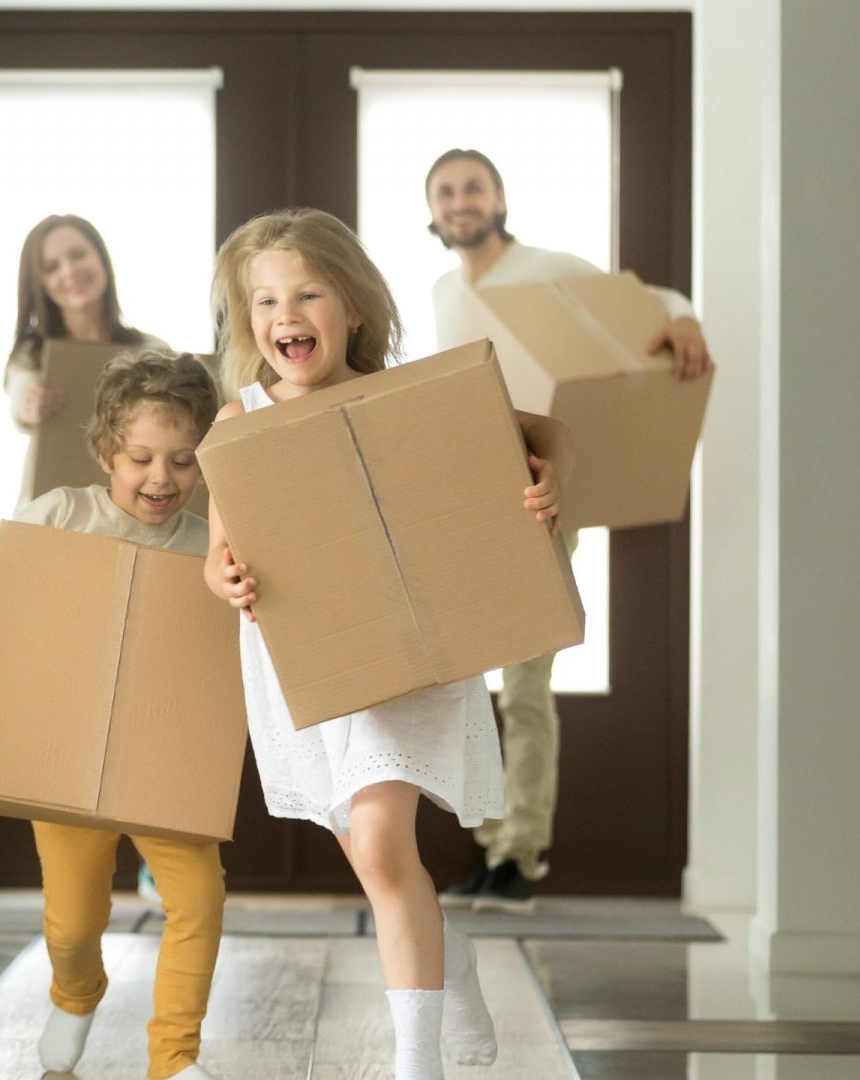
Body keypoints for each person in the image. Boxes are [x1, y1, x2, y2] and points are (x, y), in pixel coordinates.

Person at [204, 208, 575, 1078]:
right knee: (380, 864)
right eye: (265, 300)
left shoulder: (404, 400)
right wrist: (225, 580)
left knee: (378, 845)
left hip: (410, 655)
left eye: (307, 294)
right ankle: (456, 959)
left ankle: (415, 1065)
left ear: (354, 307)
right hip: (310, 666)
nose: (285, 315)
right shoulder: (239, 420)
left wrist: (551, 478)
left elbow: (548, 431)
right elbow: (219, 553)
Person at [424, 148, 714, 910]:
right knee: (469, 692)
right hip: (467, 506)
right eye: (446, 192)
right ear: (433, 211)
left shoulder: (545, 269)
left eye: (473, 187)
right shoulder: (444, 292)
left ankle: (521, 855)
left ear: (499, 199)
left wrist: (682, 317)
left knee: (525, 683)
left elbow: (649, 298)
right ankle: (492, 849)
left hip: (538, 499)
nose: (460, 201)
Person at [0, 350, 226, 1080]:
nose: (162, 478)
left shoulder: (208, 544)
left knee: (199, 900)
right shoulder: (61, 515)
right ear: (106, 453)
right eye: (141, 459)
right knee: (73, 925)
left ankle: (174, 1059)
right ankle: (75, 994)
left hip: (167, 756)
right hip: (66, 752)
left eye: (184, 462)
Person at [4, 214, 168, 434]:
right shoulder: (31, 355)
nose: (69, 271)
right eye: (52, 267)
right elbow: (20, 397)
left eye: (78, 255)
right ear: (40, 284)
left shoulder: (152, 350)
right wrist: (29, 406)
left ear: (101, 258)